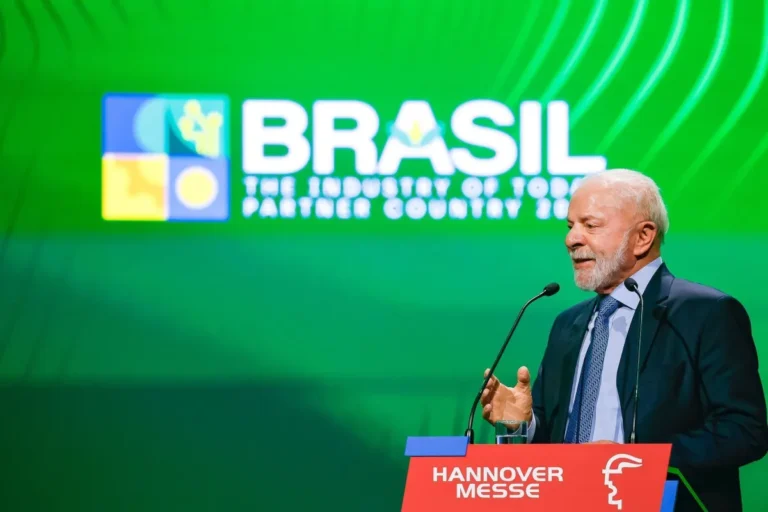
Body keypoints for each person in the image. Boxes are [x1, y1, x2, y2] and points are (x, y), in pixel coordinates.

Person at [480, 169, 768, 511]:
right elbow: (555, 438)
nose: (571, 239)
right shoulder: (567, 324)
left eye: (590, 225)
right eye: (570, 226)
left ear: (643, 237)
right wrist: (524, 424)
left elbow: (745, 431)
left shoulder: (705, 313)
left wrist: (634, 460)